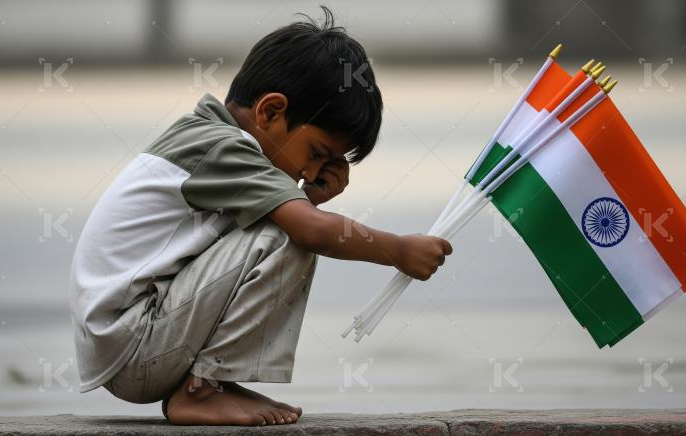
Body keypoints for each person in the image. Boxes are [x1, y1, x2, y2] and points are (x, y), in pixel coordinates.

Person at [69, 7, 452, 426]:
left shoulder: (209, 138)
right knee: (289, 238)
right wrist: (397, 250)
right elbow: (309, 232)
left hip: (129, 345)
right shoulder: (225, 147)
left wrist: (307, 198)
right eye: (317, 154)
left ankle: (212, 383)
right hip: (136, 346)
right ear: (270, 112)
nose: (309, 172)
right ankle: (202, 390)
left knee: (286, 228)